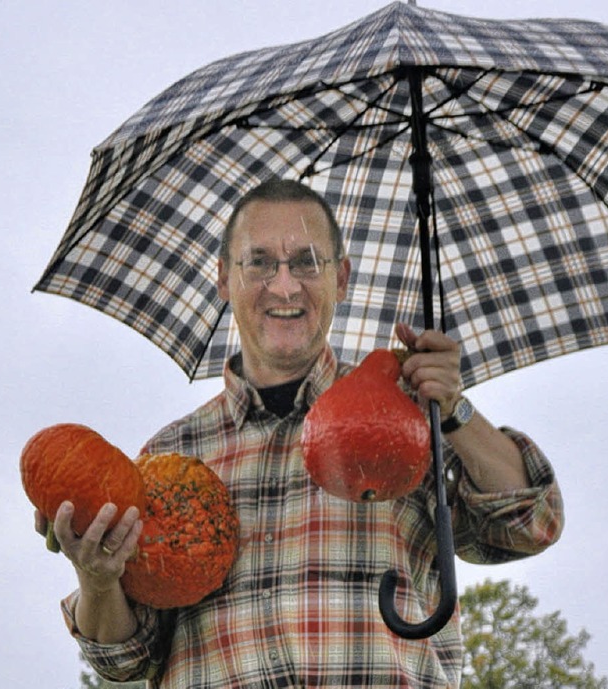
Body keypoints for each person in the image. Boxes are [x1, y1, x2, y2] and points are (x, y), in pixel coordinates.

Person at [41, 178, 564, 688]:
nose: (285, 285)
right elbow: (124, 659)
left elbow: (531, 522)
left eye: (308, 262)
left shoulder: (411, 412)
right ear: (225, 277)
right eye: (261, 262)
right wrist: (98, 580)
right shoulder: (169, 456)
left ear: (341, 276)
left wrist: (453, 411)